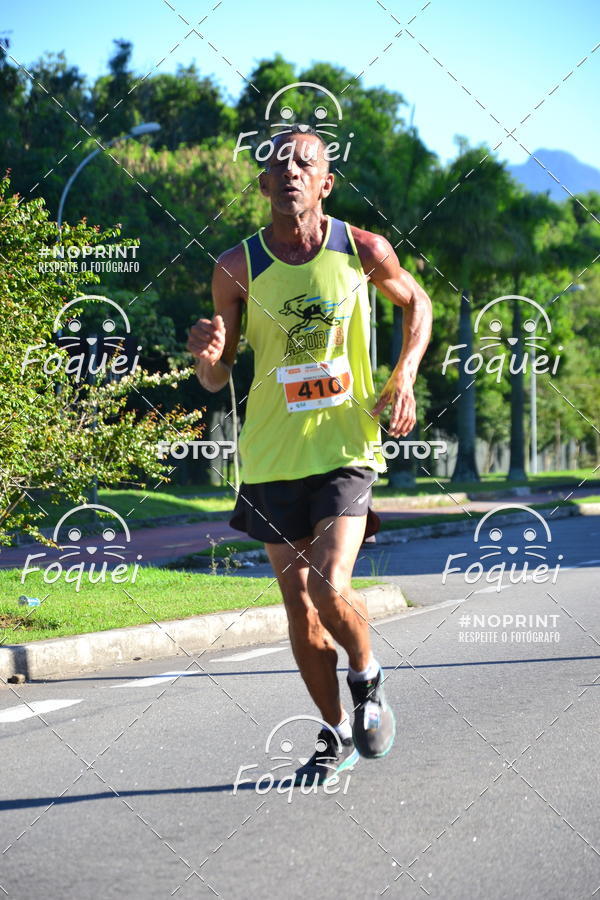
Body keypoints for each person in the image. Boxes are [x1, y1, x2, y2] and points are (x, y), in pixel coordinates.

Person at [187, 125, 432, 785]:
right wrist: (209, 362)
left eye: (306, 162)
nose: (291, 171)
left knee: (329, 582)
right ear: (265, 185)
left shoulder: (363, 248)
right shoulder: (235, 268)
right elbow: (220, 377)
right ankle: (334, 732)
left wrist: (404, 372)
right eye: (279, 164)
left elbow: (420, 303)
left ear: (325, 183)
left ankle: (368, 674)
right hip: (269, 457)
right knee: (297, 603)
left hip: (346, 447)